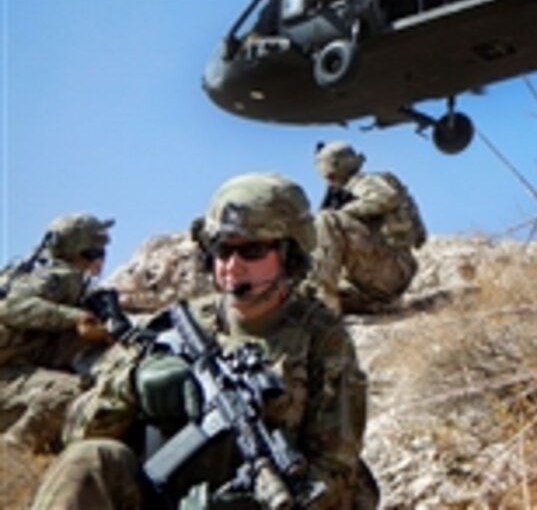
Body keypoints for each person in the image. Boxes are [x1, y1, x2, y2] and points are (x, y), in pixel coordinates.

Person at [31, 173, 374, 509]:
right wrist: (130, 384)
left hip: (264, 499)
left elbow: (337, 470)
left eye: (252, 251)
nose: (232, 267)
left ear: (290, 253)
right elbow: (77, 431)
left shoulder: (323, 339)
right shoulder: (180, 325)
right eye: (222, 250)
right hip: (162, 493)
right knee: (89, 460)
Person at [0, 213, 114, 451]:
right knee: (73, 394)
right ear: (86, 252)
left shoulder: (39, 273)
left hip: (15, 370)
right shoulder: (62, 277)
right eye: (99, 250)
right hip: (8, 375)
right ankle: (12, 452)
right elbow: (12, 307)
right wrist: (76, 318)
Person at [309, 141, 427, 315]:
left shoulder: (362, 182)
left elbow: (387, 198)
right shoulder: (356, 188)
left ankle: (327, 304)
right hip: (382, 281)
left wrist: (344, 212)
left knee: (326, 219)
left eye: (330, 175)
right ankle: (372, 305)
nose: (328, 180)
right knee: (302, 297)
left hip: (390, 268)